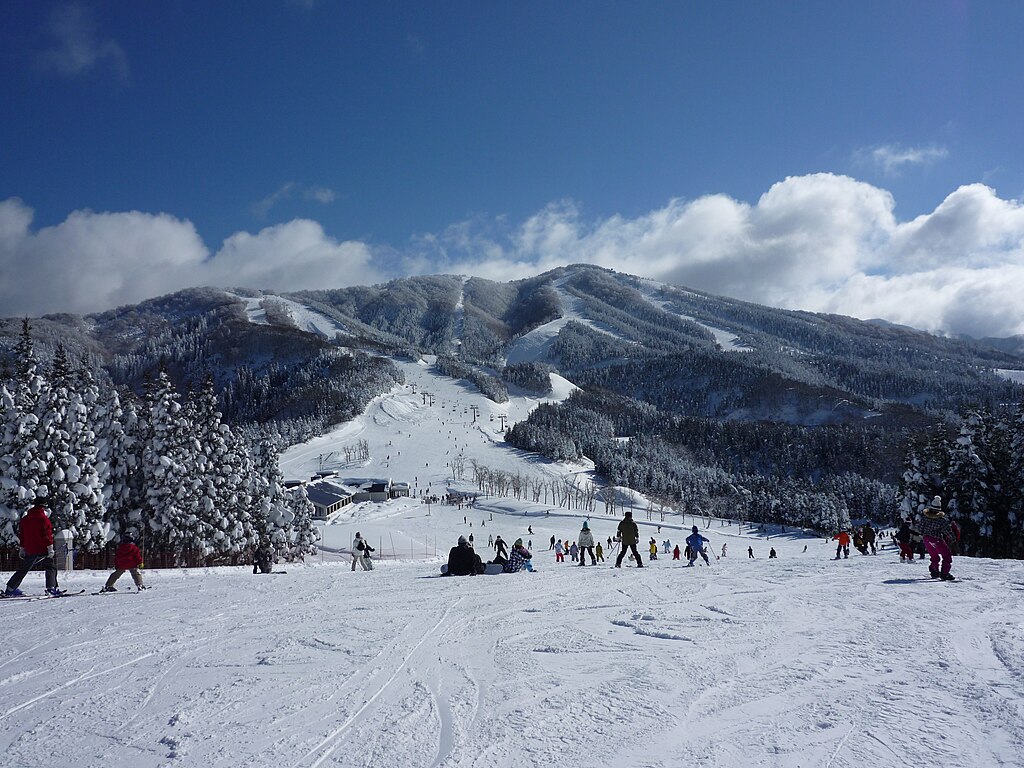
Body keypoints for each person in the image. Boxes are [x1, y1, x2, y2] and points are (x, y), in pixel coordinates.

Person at [4, 496, 62, 597]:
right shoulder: (43, 519)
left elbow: (22, 534)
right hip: (42, 548)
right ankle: (51, 588)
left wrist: (22, 548)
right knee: (50, 567)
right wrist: (50, 548)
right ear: (43, 506)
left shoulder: (25, 519)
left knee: (24, 568)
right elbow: (47, 535)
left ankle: (10, 588)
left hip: (29, 548)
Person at [916, 496, 959, 580]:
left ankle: (934, 571)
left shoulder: (925, 518)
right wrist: (953, 539)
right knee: (947, 555)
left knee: (934, 556)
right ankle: (944, 573)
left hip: (926, 539)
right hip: (937, 539)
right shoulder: (941, 520)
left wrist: (925, 533)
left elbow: (920, 528)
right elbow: (947, 531)